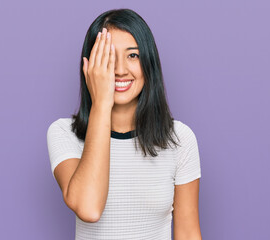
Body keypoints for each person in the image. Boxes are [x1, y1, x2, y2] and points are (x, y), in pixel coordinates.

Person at [47, 8, 202, 240]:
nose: (119, 70)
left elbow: (188, 233)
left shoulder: (180, 138)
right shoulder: (63, 133)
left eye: (133, 56)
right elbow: (89, 208)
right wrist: (101, 103)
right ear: (90, 66)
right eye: (108, 57)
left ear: (148, 63)